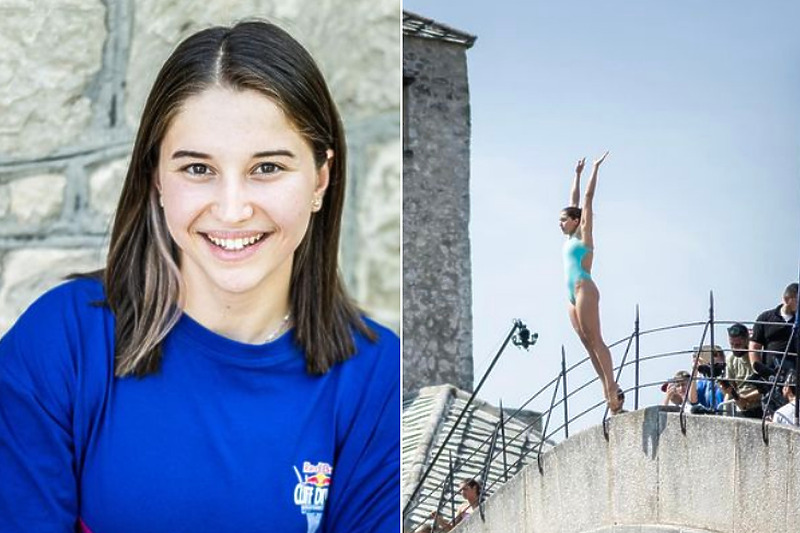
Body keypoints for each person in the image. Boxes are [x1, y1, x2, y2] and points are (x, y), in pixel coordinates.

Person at [0, 22, 399, 533]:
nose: (232, 210)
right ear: (157, 179)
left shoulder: (377, 379)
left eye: (268, 168)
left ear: (320, 179)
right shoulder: (62, 344)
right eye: (197, 169)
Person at [560, 151, 624, 414]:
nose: (560, 224)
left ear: (576, 221)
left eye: (564, 219)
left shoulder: (584, 237)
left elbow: (585, 200)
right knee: (586, 343)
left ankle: (612, 391)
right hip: (569, 294)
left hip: (583, 287)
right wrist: (576, 174)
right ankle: (607, 385)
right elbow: (573, 199)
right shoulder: (567, 239)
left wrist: (594, 169)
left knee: (596, 338)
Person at [750, 282, 799, 372]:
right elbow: (754, 346)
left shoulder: (798, 321)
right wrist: (759, 370)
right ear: (787, 299)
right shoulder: (765, 317)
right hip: (769, 374)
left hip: (794, 375)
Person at [718, 323, 763, 418]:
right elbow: (731, 386)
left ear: (747, 341)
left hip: (760, 404)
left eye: (738, 345)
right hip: (740, 404)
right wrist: (725, 388)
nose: (734, 348)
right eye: (732, 344)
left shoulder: (758, 355)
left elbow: (767, 388)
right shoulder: (730, 358)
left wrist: (746, 398)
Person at [688, 345, 725, 412]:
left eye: (715, 355)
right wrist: (694, 372)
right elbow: (693, 400)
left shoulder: (727, 373)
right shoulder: (704, 381)